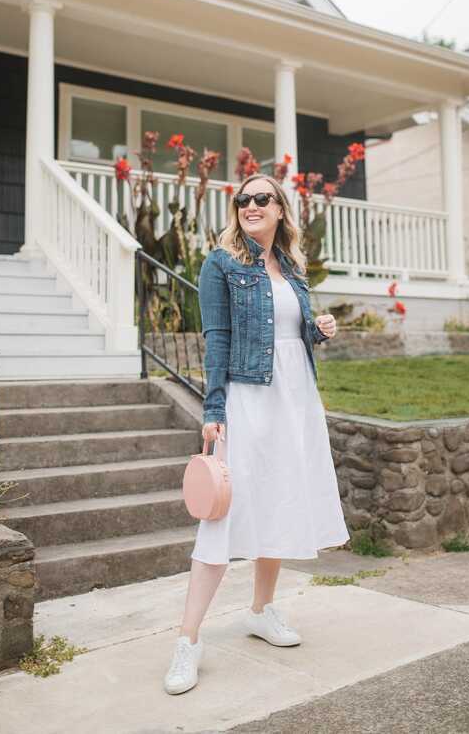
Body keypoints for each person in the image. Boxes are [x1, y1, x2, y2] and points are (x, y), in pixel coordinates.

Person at [163, 173, 350, 695]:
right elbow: (217, 337)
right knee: (223, 520)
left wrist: (320, 329)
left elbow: (292, 333)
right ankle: (187, 641)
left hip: (296, 400)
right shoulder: (220, 263)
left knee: (279, 503)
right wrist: (214, 407)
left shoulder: (291, 266)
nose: (250, 204)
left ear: (280, 209)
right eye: (242, 199)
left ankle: (261, 611)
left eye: (261, 197)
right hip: (248, 399)